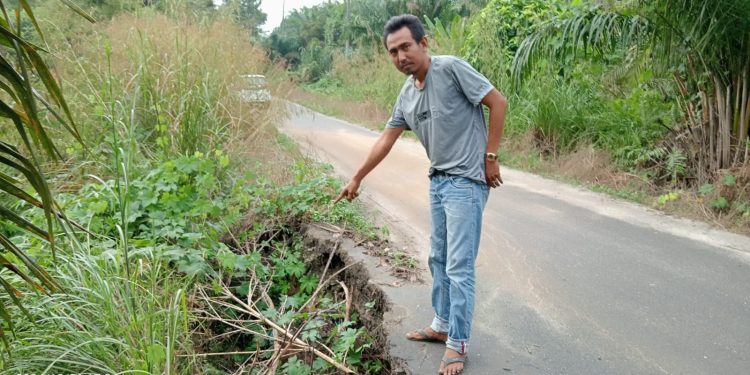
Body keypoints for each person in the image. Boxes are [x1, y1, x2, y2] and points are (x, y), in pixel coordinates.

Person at [334, 14, 507, 375]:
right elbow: (386, 138)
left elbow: (498, 102)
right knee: (438, 258)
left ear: (424, 43)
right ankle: (442, 324)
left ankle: (458, 344)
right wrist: (357, 177)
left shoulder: (451, 69)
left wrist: (490, 157)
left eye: (406, 47)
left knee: (459, 266)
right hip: (439, 182)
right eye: (393, 51)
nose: (401, 56)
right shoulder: (407, 93)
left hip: (467, 183)